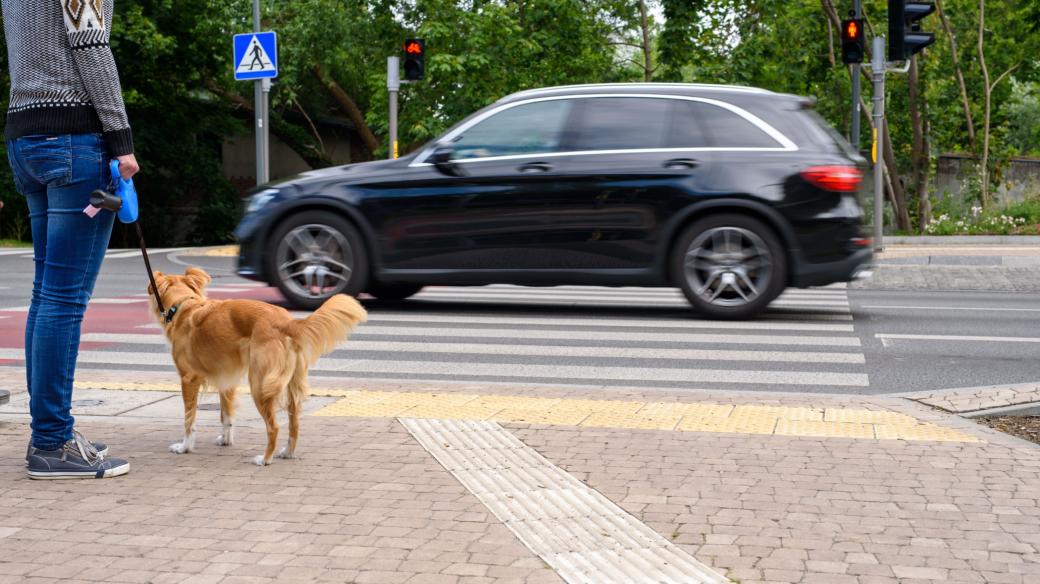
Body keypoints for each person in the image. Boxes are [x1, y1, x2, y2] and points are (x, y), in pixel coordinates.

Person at [3, 0, 138, 478]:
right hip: (73, 139)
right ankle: (52, 443)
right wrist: (121, 140)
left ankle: (50, 431)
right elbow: (92, 48)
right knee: (63, 300)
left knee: (47, 296)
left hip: (25, 138)